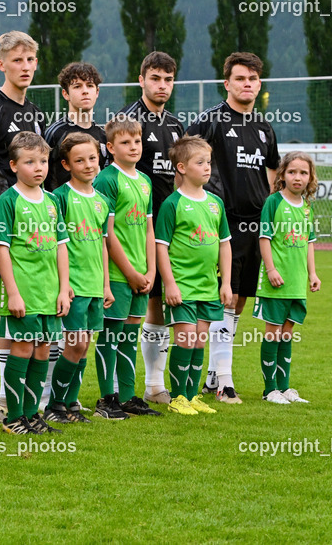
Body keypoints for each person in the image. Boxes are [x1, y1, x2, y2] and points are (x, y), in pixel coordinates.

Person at [186, 52, 279, 404]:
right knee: (220, 298)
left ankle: (214, 375)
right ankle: (224, 381)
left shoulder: (264, 128)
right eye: (240, 78)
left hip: (255, 228)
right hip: (221, 223)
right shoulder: (209, 122)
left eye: (253, 79)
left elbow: (272, 173)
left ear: (259, 84)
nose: (247, 84)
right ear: (227, 83)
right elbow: (185, 160)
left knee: (237, 300)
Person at [0, 31, 47, 424]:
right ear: (1, 64)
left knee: (24, 306)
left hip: (30, 226)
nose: (26, 67)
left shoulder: (37, 113)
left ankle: (10, 396)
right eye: (18, 61)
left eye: (31, 61)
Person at [0, 131, 71, 434]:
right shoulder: (8, 201)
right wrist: (12, 293)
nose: (38, 168)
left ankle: (31, 414)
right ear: (13, 165)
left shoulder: (52, 201)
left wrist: (64, 288)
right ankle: (13, 417)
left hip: (49, 293)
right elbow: (2, 249)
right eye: (29, 162)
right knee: (23, 349)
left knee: (42, 350)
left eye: (43, 161)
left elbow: (62, 245)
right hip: (23, 292)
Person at [118, 52, 184, 405]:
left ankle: (154, 385)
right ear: (141, 79)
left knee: (157, 303)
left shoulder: (176, 125)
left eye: (168, 79)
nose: (162, 85)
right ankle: (119, 387)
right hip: (133, 229)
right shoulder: (128, 121)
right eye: (155, 78)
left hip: (165, 228)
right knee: (132, 306)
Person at [154, 136, 233, 415]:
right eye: (200, 163)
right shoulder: (172, 204)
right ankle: (177, 398)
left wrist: (226, 283)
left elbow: (225, 243)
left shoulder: (215, 203)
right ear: (182, 167)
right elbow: (161, 248)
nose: (207, 168)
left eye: (209, 162)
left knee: (199, 340)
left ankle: (191, 395)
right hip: (183, 287)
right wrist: (171, 284)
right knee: (185, 340)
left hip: (208, 286)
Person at [93, 116, 160, 419]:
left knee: (131, 336)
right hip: (118, 275)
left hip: (141, 274)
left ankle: (128, 395)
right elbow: (107, 233)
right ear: (110, 147)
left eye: (137, 141)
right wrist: (130, 272)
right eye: (125, 142)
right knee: (111, 335)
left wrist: (150, 271)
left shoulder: (144, 181)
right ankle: (107, 399)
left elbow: (148, 230)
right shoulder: (107, 179)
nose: (133, 146)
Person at [43, 133, 112, 424]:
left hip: (95, 284)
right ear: (66, 164)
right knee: (74, 344)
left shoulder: (103, 201)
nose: (88, 164)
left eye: (93, 158)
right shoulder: (59, 197)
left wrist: (107, 284)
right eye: (79, 160)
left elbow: (103, 243)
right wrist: (65, 283)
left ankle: (71, 404)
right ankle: (54, 405)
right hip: (74, 286)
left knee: (84, 345)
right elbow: (56, 244)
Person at [256, 152, 321, 404]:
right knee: (272, 332)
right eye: (292, 172)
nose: (298, 177)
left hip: (296, 283)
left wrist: (312, 274)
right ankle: (269, 390)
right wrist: (271, 269)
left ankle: (284, 388)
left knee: (287, 333)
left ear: (310, 178)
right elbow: (264, 238)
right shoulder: (273, 202)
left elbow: (309, 243)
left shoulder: (307, 207)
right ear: (282, 175)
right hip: (276, 281)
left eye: (303, 173)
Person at [44, 62, 108, 191]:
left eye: (89, 86)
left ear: (97, 92)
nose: (85, 91)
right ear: (65, 94)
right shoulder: (55, 133)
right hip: (62, 208)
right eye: (77, 86)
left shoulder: (103, 135)